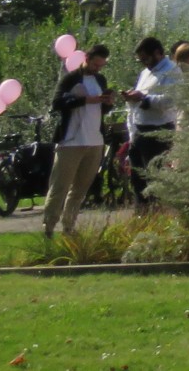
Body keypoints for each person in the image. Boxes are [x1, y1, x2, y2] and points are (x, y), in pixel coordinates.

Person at [44, 43, 115, 238]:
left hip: (95, 140)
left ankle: (69, 226)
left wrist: (107, 103)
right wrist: (84, 100)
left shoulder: (100, 79)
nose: (97, 69)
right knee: (60, 186)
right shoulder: (70, 79)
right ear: (87, 59)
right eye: (95, 64)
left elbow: (101, 109)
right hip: (71, 140)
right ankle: (49, 226)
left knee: (80, 189)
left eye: (101, 65)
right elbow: (57, 103)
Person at [121, 36, 180, 203]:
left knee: (155, 178)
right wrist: (133, 98)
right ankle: (142, 212)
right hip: (140, 129)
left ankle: (156, 213)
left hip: (158, 131)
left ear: (157, 53)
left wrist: (144, 98)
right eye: (141, 60)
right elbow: (138, 103)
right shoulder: (145, 73)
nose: (144, 63)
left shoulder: (172, 71)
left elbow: (171, 100)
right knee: (138, 177)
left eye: (146, 59)